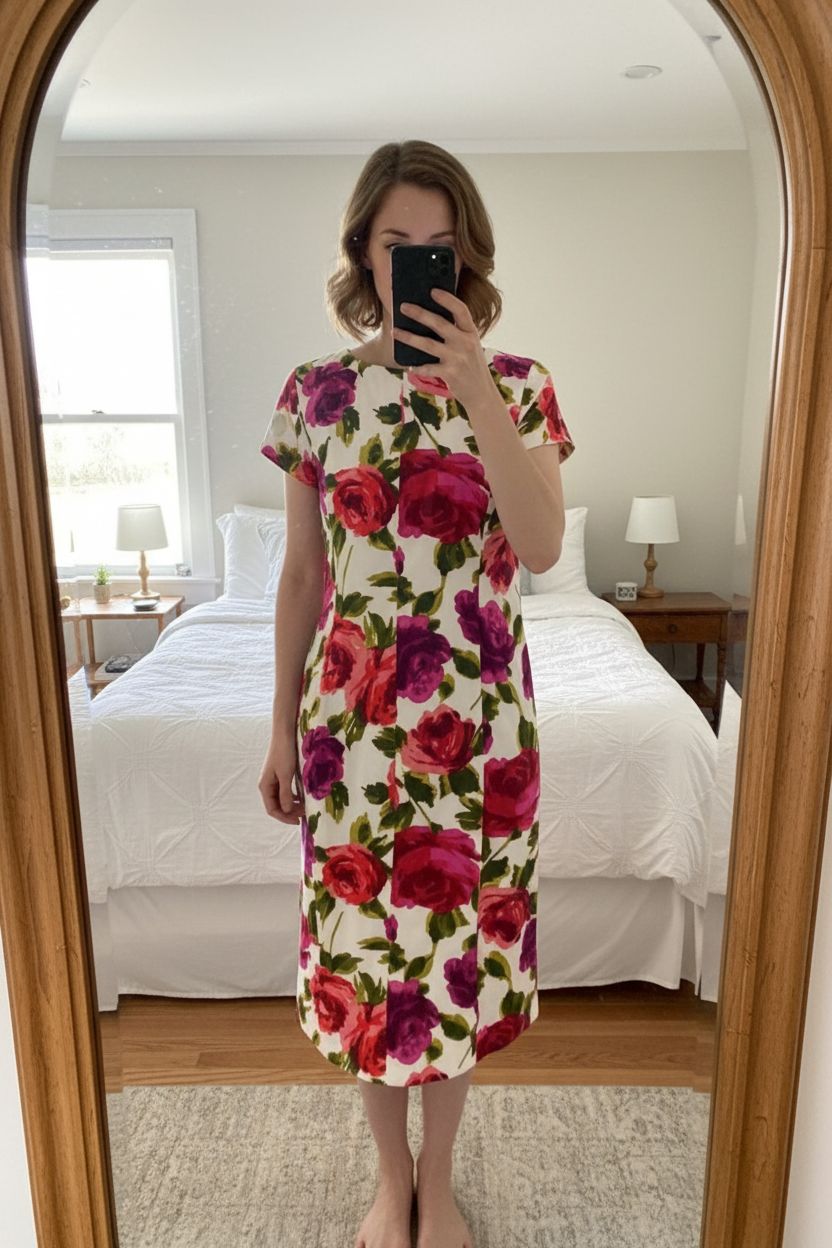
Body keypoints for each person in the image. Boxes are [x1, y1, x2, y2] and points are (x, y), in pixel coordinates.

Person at [258, 139, 575, 1248]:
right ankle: (388, 1181)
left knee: (457, 964)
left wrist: (474, 384)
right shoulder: (317, 393)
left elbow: (541, 547)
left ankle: (438, 1185)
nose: (419, 262)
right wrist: (278, 731)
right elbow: (303, 577)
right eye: (399, 243)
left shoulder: (521, 386)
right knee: (364, 960)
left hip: (478, 728)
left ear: (468, 255)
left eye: (441, 245)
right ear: (363, 250)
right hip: (349, 727)